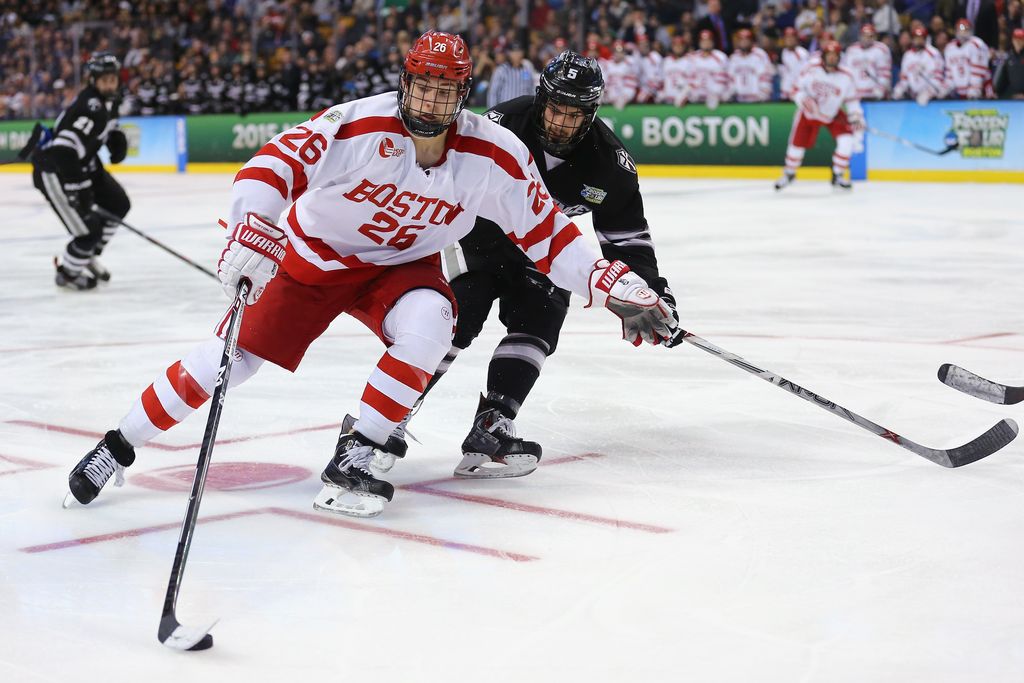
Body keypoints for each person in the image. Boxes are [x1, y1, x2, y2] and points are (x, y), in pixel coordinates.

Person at [63, 32, 676, 518]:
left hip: (402, 267)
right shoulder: (355, 125)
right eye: (423, 87)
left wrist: (608, 281)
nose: (431, 102)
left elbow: (547, 234)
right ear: (405, 83)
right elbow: (273, 164)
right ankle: (115, 445)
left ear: (463, 96)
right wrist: (250, 228)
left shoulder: (492, 151)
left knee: (435, 322)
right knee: (228, 361)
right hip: (314, 259)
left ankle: (358, 453)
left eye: (446, 92)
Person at [381, 50, 679, 480]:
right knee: (457, 318)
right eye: (555, 108)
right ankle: (389, 414)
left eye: (573, 114)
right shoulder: (502, 124)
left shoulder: (611, 164)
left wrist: (652, 290)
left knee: (540, 320)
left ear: (591, 113)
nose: (560, 121)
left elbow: (626, 239)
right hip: (478, 235)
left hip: (544, 250)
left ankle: (494, 422)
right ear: (541, 99)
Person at [31, 52, 130, 290]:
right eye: (104, 80)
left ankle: (84, 256)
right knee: (89, 231)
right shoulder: (90, 106)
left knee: (118, 205)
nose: (109, 84)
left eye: (112, 79)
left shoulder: (111, 101)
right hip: (56, 172)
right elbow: (63, 149)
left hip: (84, 164)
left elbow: (101, 131)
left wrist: (114, 138)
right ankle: (68, 274)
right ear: (93, 80)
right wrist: (78, 187)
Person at [774, 41, 863, 191]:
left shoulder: (846, 76)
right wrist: (804, 100)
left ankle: (838, 175)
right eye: (829, 55)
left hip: (832, 114)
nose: (832, 59)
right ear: (823, 56)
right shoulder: (811, 68)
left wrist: (855, 116)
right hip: (809, 114)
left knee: (847, 141)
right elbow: (795, 90)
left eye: (835, 56)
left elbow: (852, 100)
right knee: (796, 145)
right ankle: (789, 173)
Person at [892, 26, 947, 106]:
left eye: (921, 38)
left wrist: (928, 93)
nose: (918, 41)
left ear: (925, 39)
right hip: (912, 98)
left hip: (931, 99)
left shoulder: (934, 53)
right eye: (916, 38)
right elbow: (904, 78)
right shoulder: (907, 55)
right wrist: (899, 89)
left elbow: (938, 77)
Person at [840, 24, 893, 100]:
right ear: (860, 36)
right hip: (855, 94)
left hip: (873, 94)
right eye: (864, 36)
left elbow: (885, 74)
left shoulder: (881, 49)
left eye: (870, 36)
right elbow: (845, 72)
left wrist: (880, 90)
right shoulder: (851, 50)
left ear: (875, 37)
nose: (867, 39)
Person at [944, 18, 991, 99]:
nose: (963, 33)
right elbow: (949, 73)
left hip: (980, 89)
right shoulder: (949, 48)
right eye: (960, 29)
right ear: (956, 31)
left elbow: (979, 70)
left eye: (965, 29)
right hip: (958, 93)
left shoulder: (977, 44)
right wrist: (946, 87)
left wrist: (975, 88)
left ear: (970, 30)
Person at [726, 28, 774, 103]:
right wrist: (729, 94)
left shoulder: (760, 55)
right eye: (741, 39)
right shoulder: (734, 57)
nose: (744, 42)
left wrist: (763, 95)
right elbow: (730, 78)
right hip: (738, 100)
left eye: (747, 39)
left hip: (757, 100)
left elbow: (766, 76)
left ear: (752, 41)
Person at [686, 30, 729, 109]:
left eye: (708, 40)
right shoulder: (692, 57)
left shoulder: (720, 57)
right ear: (699, 42)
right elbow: (690, 79)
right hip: (695, 100)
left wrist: (716, 95)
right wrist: (686, 94)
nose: (706, 43)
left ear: (713, 42)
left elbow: (723, 81)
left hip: (715, 101)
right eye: (703, 41)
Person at [779, 27, 810, 101]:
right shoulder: (784, 52)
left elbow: (804, 74)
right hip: (785, 92)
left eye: (792, 37)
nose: (789, 40)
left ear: (796, 39)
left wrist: (796, 90)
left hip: (797, 93)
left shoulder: (802, 53)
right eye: (787, 37)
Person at [994, 28, 1024, 99]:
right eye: (1016, 39)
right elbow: (1002, 80)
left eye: (1021, 39)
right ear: (1013, 40)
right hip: (1012, 98)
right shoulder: (1008, 58)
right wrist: (996, 92)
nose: (1018, 42)